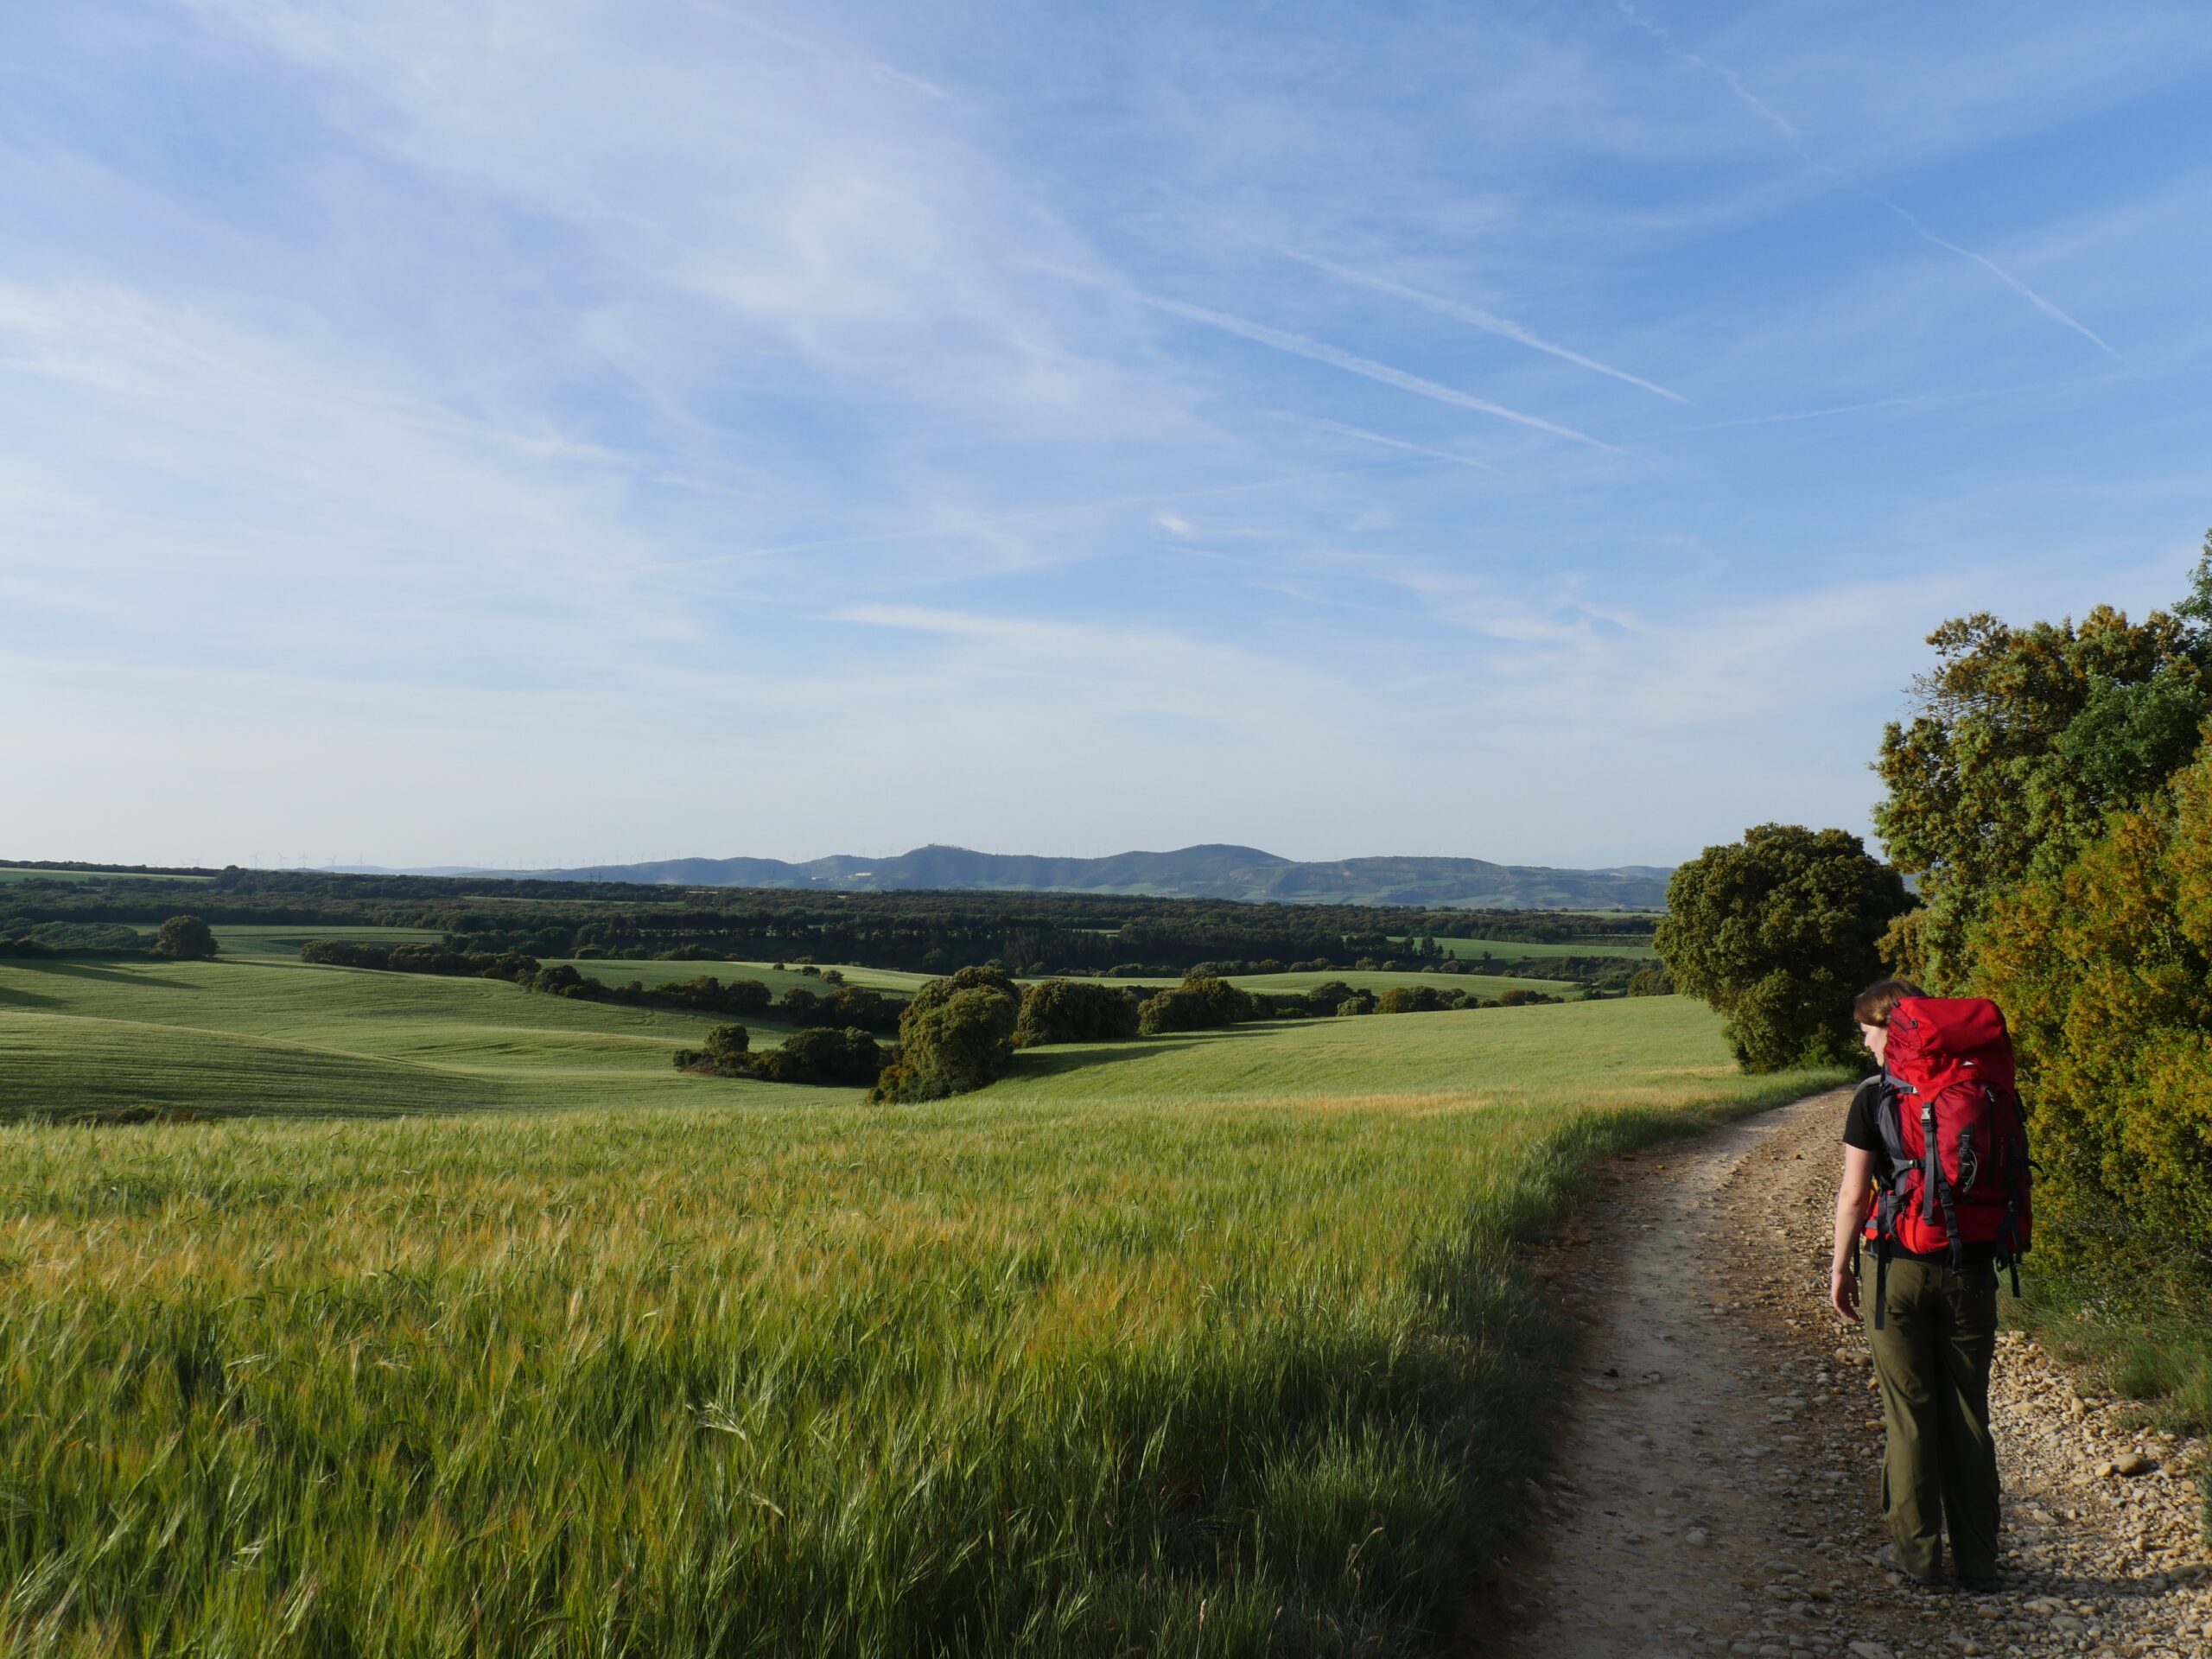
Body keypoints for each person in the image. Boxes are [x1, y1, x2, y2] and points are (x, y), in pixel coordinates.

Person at [1827, 977, 2003, 1592]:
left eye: (1868, 1032)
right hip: (1974, 1268)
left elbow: (1854, 1195)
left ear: (1891, 1027)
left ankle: (1918, 1556)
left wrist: (1840, 1267)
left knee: (1910, 1415)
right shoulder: (1984, 1087)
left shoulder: (1876, 1095)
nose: (1866, 1045)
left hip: (1896, 1266)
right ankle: (1981, 1562)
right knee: (1968, 1414)